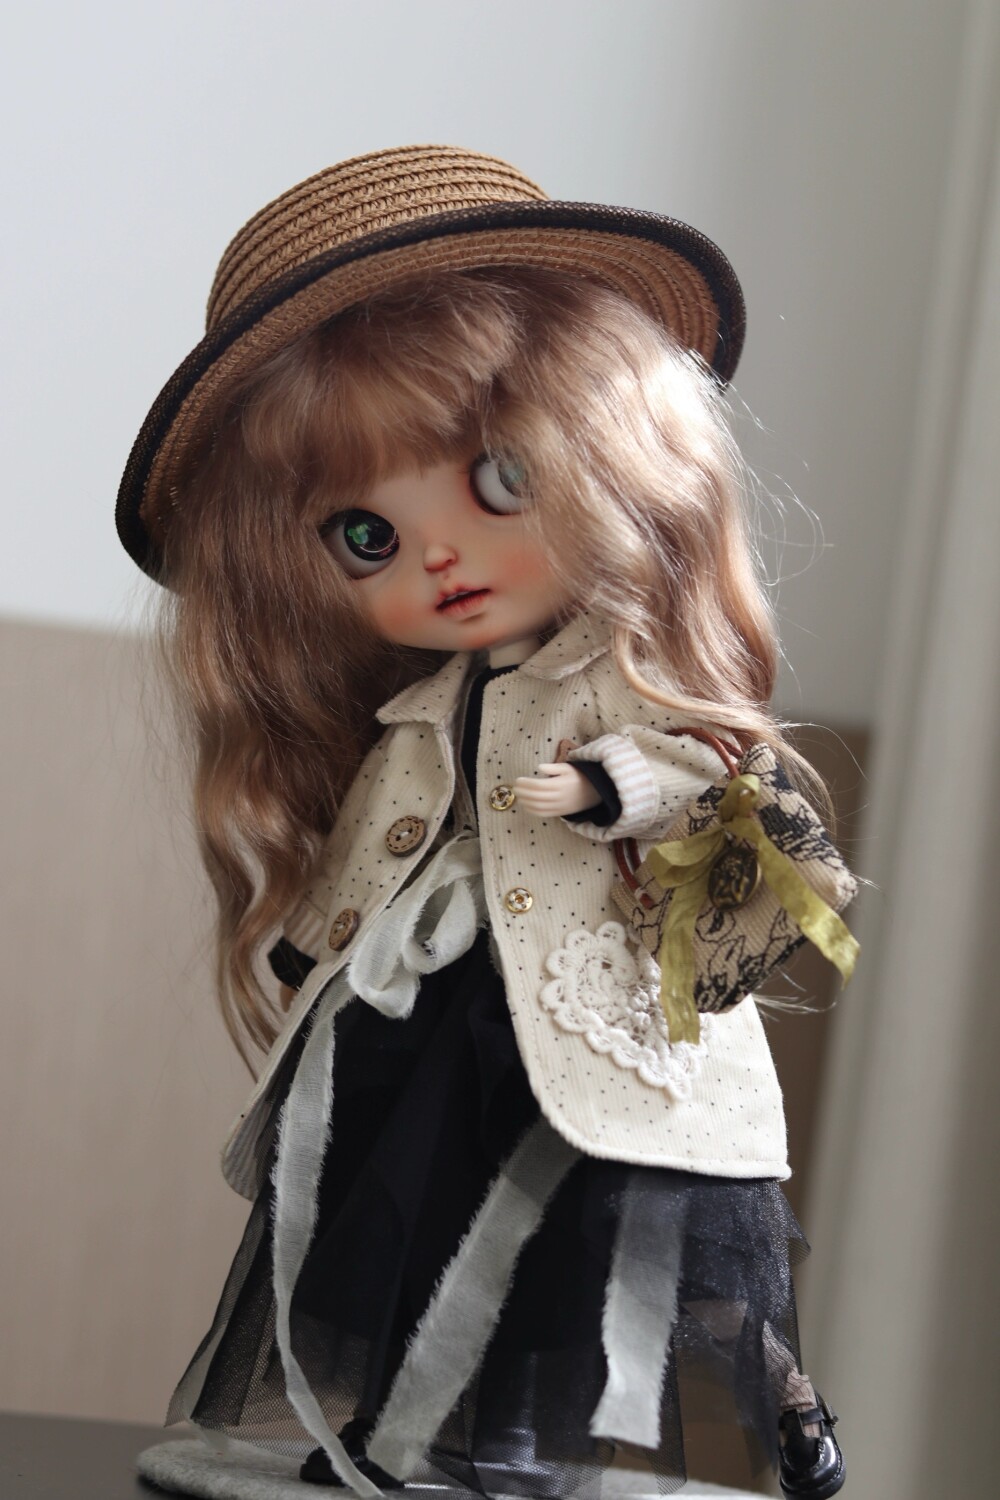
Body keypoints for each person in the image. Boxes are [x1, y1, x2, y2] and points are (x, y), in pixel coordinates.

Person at [117, 145, 846, 1499]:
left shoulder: (619, 683)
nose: (441, 555)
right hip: (438, 1025)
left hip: (593, 1011)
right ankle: (412, 1441)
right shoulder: (421, 714)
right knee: (418, 1225)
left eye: (498, 482)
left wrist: (607, 789)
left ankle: (774, 1413)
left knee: (640, 1234)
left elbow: (727, 801)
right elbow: (377, 846)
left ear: (608, 455)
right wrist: (312, 950)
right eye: (365, 537)